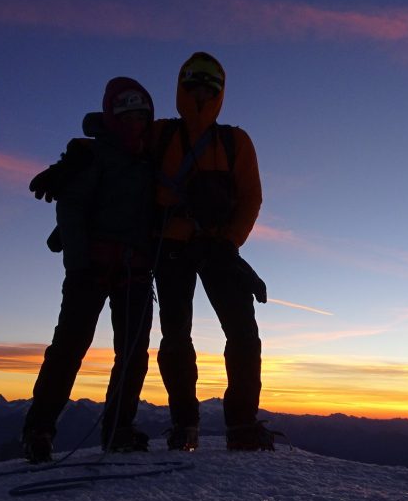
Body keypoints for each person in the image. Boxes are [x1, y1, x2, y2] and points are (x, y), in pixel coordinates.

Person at [21, 77, 157, 463]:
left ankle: (116, 429)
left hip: (133, 267)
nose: (134, 120)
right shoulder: (92, 154)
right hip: (95, 266)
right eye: (126, 112)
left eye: (140, 113)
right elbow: (73, 209)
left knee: (129, 353)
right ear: (112, 115)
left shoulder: (150, 156)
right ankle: (40, 429)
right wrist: (79, 265)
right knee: (70, 348)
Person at [152, 52, 271, 451]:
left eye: (209, 87)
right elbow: (120, 153)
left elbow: (251, 197)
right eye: (194, 85)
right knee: (176, 336)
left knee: (242, 333)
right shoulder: (160, 136)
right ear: (182, 88)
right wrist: (79, 153)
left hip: (216, 244)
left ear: (219, 93)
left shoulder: (235, 142)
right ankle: (185, 424)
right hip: (171, 245)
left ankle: (240, 424)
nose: (201, 93)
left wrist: (230, 241)